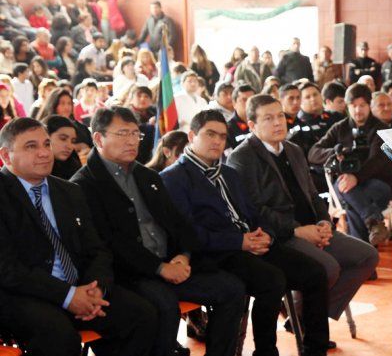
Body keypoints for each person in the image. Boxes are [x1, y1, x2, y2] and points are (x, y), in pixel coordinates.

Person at [71, 107, 246, 356]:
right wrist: (160, 268)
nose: (132, 141)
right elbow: (110, 244)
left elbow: (178, 224)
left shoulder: (147, 176)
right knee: (164, 305)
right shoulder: (84, 185)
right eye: (123, 134)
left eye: (136, 134)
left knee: (232, 289)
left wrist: (184, 255)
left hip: (171, 264)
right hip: (131, 273)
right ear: (99, 139)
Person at [163, 110, 332, 356]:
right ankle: (265, 351)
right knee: (272, 280)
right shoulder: (174, 179)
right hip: (217, 253)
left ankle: (315, 350)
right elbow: (188, 234)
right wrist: (239, 242)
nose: (217, 142)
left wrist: (268, 235)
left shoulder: (228, 173)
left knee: (315, 272)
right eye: (210, 134)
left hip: (251, 243)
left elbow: (254, 213)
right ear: (192, 136)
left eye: (222, 136)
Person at [224, 97, 377, 350]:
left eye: (280, 116)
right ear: (252, 124)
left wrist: (323, 222)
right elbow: (254, 210)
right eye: (268, 118)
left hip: (313, 228)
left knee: (366, 257)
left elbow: (313, 195)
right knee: (327, 268)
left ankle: (306, 317)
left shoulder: (293, 150)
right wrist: (297, 230)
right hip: (282, 234)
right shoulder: (243, 158)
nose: (277, 123)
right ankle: (308, 321)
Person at [0, 117, 157, 356]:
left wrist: (96, 289)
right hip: (24, 294)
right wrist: (68, 296)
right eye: (31, 146)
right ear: (6, 156)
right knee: (60, 337)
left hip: (81, 287)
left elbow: (97, 249)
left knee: (142, 315)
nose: (44, 153)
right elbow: (8, 269)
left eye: (46, 144)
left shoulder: (69, 191)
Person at [308, 84, 392, 245]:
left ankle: (362, 255)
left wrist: (356, 177)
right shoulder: (340, 128)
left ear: (369, 106)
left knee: (351, 203)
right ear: (347, 107)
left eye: (362, 105)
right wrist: (335, 151)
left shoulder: (381, 128)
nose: (358, 110)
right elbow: (313, 152)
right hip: (346, 185)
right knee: (346, 187)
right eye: (353, 106)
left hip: (376, 184)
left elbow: (377, 161)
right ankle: (373, 222)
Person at [44, 115, 82, 179]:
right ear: (46, 137)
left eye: (73, 141)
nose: (69, 146)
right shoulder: (35, 171)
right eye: (63, 139)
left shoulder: (74, 166)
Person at [226, 84, 256, 152]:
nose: (249, 103)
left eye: (252, 100)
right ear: (234, 104)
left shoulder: (261, 123)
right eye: (244, 100)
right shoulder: (228, 129)